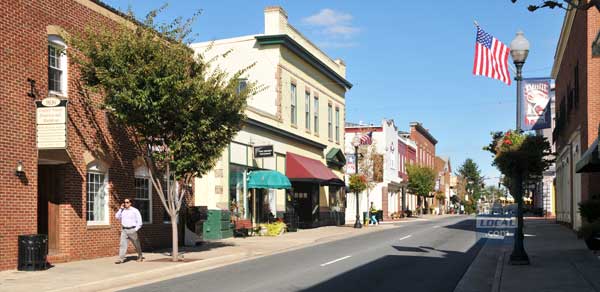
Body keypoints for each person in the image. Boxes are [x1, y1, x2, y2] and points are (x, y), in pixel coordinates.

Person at [115, 198, 143, 264]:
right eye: (124, 202)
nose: (125, 203)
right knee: (122, 245)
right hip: (124, 230)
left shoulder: (135, 211)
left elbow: (140, 222)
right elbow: (117, 217)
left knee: (136, 244)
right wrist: (120, 209)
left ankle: (140, 256)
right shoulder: (123, 210)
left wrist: (135, 230)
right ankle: (121, 259)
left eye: (127, 202)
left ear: (130, 203)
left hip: (132, 229)